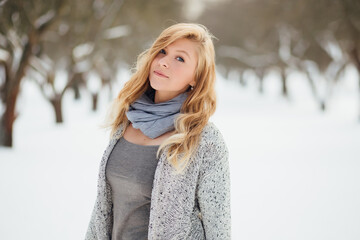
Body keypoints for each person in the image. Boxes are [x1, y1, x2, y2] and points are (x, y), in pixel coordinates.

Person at [85, 22, 231, 240]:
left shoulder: (203, 139)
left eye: (180, 58)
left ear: (196, 77)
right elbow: (104, 207)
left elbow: (218, 227)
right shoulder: (128, 120)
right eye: (162, 51)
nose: (163, 62)